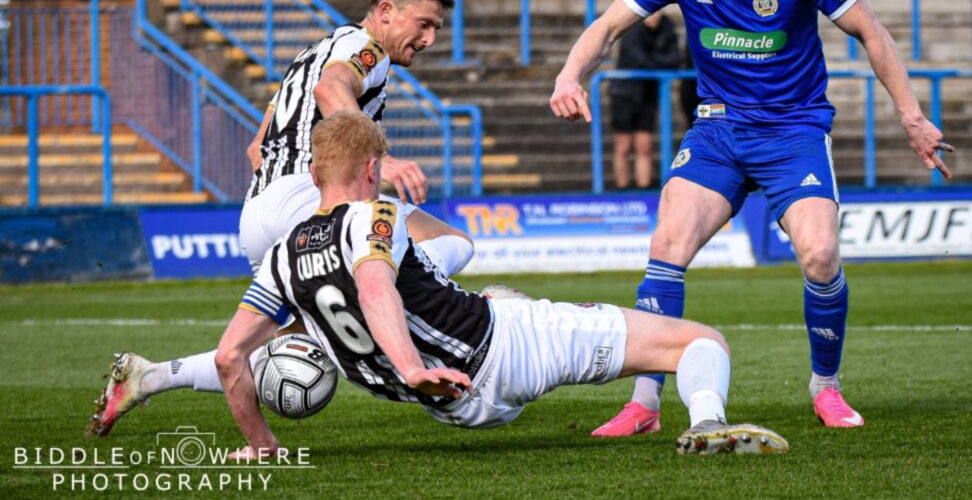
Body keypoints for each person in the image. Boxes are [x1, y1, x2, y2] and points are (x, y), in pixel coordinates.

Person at [550, 0, 954, 435]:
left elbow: (871, 32)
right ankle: (645, 404)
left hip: (794, 132)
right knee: (667, 246)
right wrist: (570, 75)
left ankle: (826, 388)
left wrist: (912, 116)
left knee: (819, 255)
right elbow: (608, 27)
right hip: (718, 130)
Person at [215, 110, 789, 458]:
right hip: (507, 348)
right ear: (373, 170)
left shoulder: (280, 259)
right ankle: (709, 424)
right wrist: (413, 365)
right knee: (699, 341)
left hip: (453, 405)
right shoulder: (377, 215)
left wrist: (263, 444)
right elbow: (374, 289)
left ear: (313, 175)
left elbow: (227, 357)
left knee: (479, 296)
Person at [87, 0, 476, 436]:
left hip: (259, 212)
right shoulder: (366, 49)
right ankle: (470, 316)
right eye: (425, 23)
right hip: (307, 197)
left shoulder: (307, 56)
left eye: (437, 28)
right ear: (387, 12)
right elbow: (331, 89)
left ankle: (149, 377)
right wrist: (380, 158)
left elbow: (257, 147)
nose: (431, 38)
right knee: (453, 243)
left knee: (287, 339)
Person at [610, 9, 680, 190]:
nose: (654, 16)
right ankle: (622, 190)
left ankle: (643, 188)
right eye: (651, 13)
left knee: (645, 145)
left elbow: (674, 60)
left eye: (657, 12)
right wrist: (660, 62)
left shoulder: (667, 26)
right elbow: (639, 60)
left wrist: (654, 62)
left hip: (649, 91)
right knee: (624, 146)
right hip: (625, 93)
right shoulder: (632, 28)